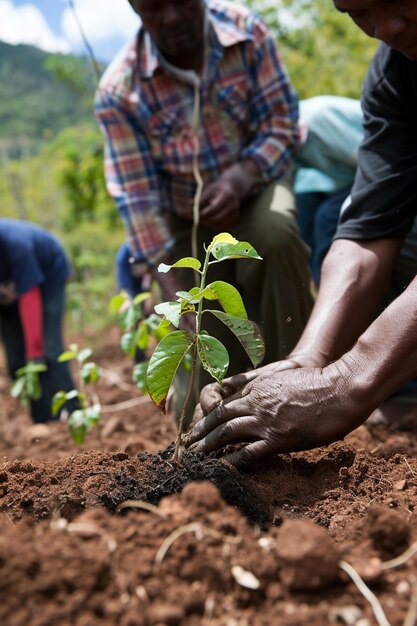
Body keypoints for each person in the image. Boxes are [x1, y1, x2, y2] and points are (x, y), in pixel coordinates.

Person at [183, 0, 417, 467]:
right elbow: (368, 232)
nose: (385, 27)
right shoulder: (395, 78)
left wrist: (348, 381)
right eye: (359, 12)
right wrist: (311, 357)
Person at [95, 0, 314, 407]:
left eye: (180, 3)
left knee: (276, 235)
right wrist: (183, 307)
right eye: (154, 9)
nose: (172, 17)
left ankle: (299, 388)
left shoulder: (246, 34)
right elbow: (140, 206)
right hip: (183, 220)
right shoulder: (119, 91)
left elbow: (281, 123)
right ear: (135, 10)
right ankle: (203, 444)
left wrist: (240, 177)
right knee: (198, 344)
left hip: (256, 185)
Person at [0, 219, 77, 423]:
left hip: (47, 280)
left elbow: (30, 298)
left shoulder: (16, 244)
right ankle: (42, 418)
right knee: (16, 361)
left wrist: (35, 350)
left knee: (49, 350)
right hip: (8, 293)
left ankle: (73, 411)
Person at [295, 96, 363, 285]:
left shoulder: (317, 120)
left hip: (388, 167)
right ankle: (314, 291)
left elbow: (373, 163)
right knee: (303, 214)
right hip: (349, 177)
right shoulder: (293, 147)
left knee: (329, 217)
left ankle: (338, 292)